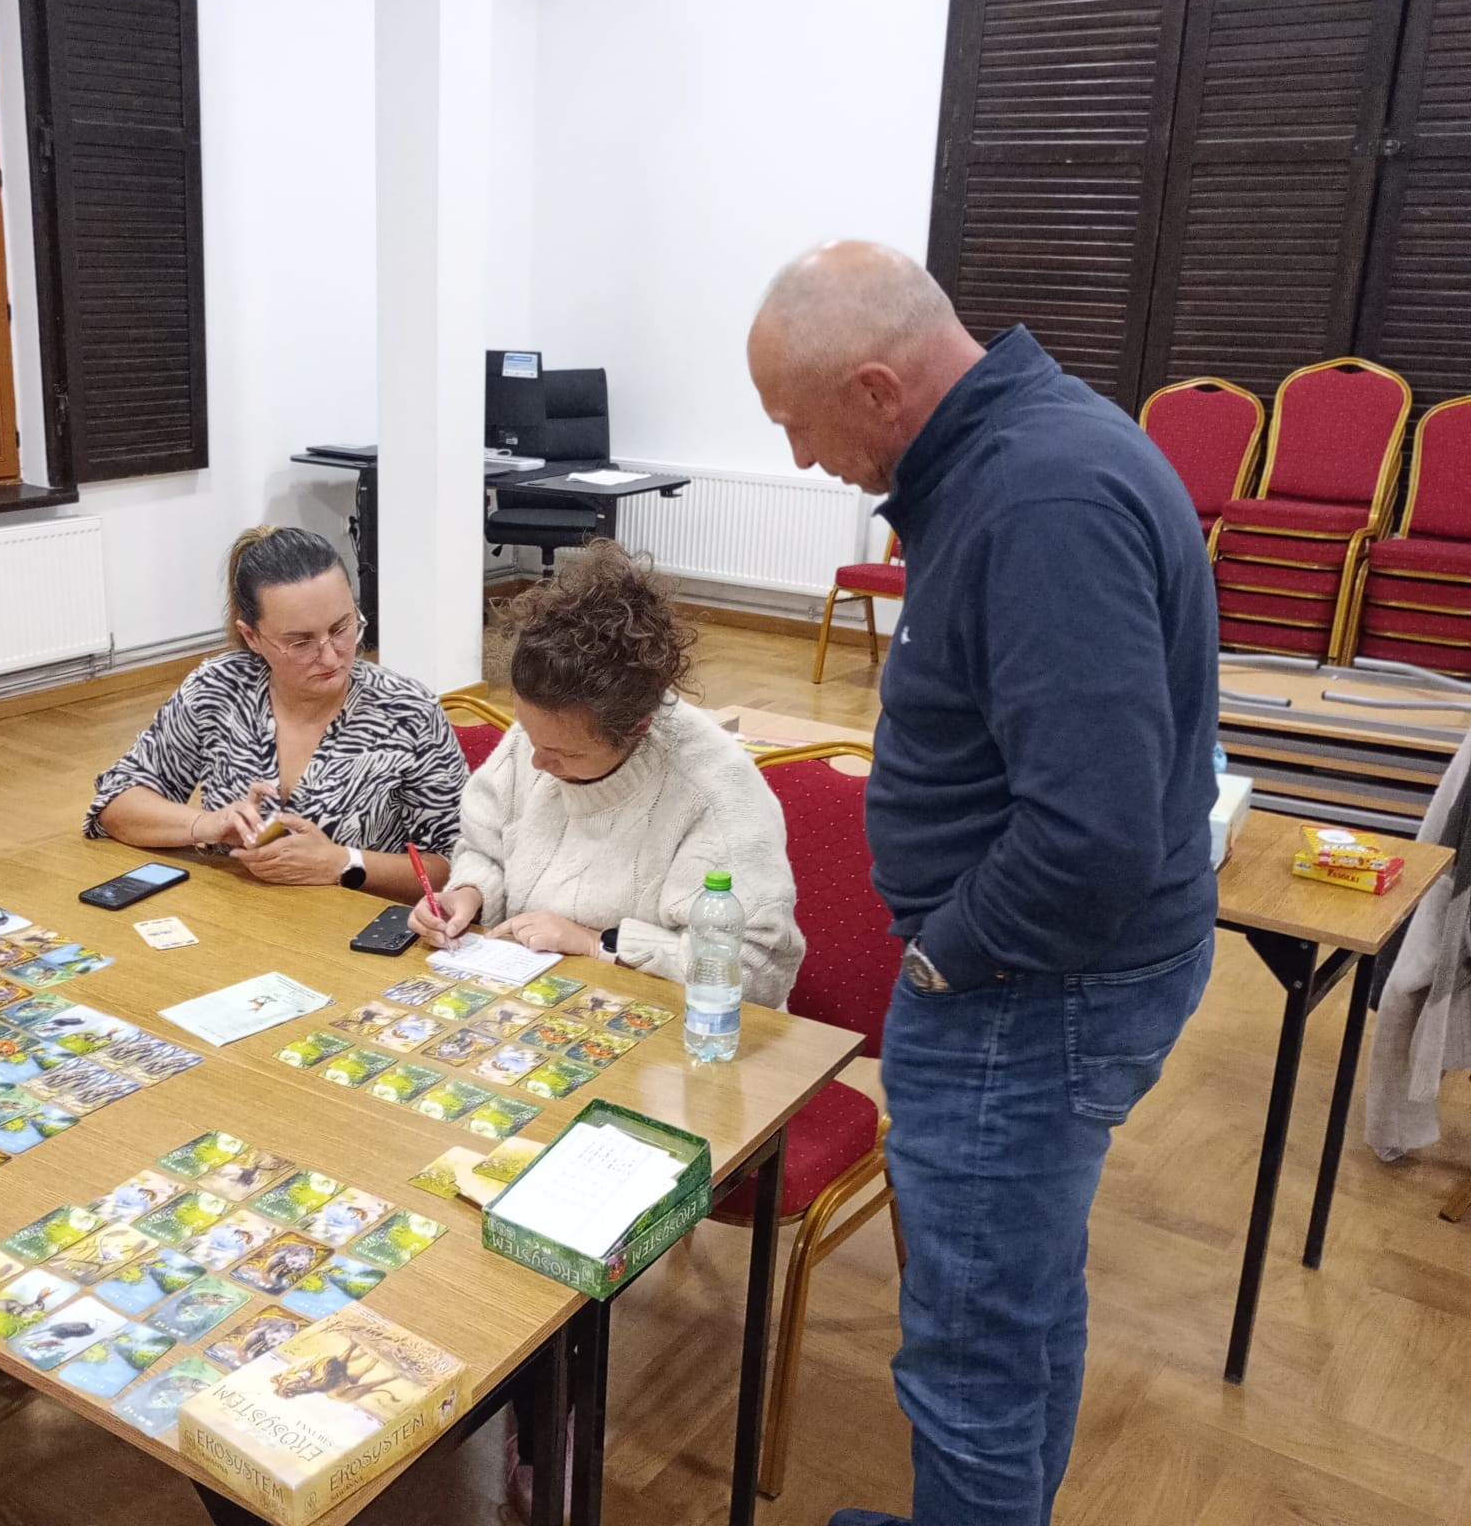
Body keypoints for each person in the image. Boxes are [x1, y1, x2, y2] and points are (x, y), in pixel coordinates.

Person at [746, 241, 1218, 1526]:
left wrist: (947, 953)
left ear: (878, 387)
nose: (800, 458)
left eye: (798, 423)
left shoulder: (1038, 499)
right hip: (1047, 977)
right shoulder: (1024, 453)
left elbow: (1094, 833)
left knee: (969, 1358)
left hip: (1027, 988)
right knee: (1022, 1306)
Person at [410, 540, 804, 1008]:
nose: (537, 763)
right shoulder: (548, 727)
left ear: (638, 728)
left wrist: (599, 944)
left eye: (564, 754)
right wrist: (469, 894)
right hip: (533, 999)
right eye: (529, 736)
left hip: (675, 1021)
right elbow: (484, 848)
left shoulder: (713, 792)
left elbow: (758, 969)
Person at [87, 525, 465, 899]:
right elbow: (116, 801)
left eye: (342, 628)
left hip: (352, 926)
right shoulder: (219, 688)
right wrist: (207, 824)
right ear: (252, 637)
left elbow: (461, 867)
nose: (330, 657)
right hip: (236, 914)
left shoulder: (408, 712)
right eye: (300, 643)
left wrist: (344, 863)